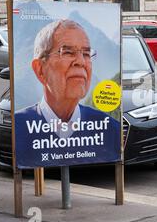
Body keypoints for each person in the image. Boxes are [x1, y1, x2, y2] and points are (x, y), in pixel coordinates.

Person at [15, 19, 120, 168]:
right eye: (68, 52)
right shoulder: (19, 127)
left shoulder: (110, 129)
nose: (81, 62)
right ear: (40, 69)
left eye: (86, 53)